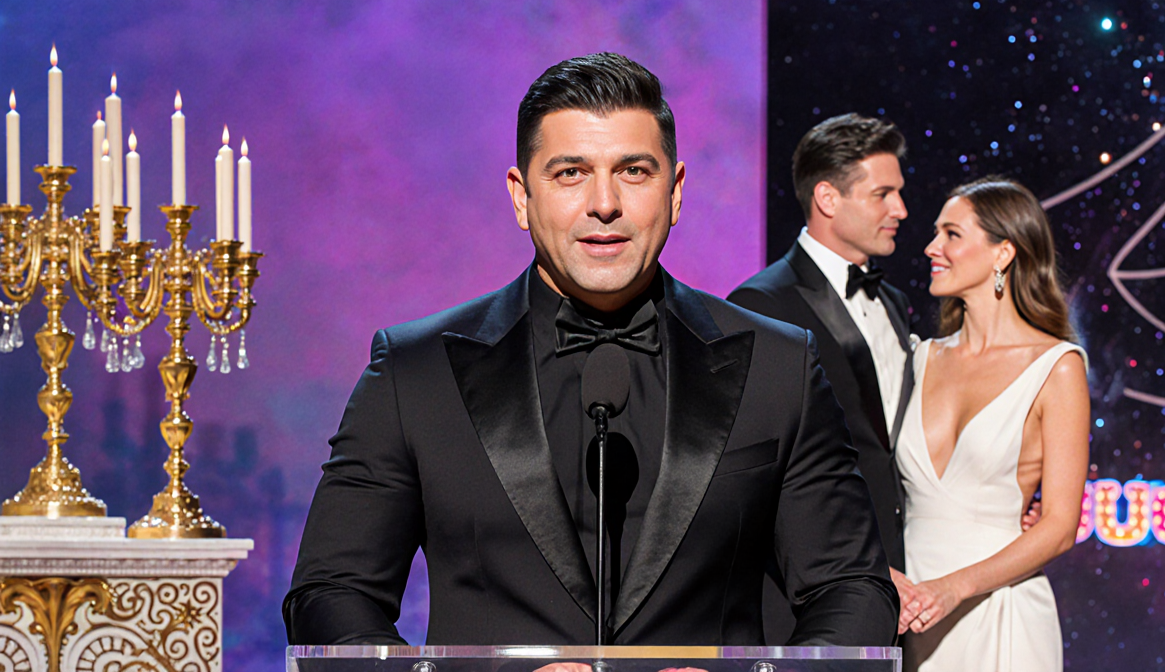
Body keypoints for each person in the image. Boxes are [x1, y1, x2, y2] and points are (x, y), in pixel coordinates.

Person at [283, 53, 899, 647]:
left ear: (676, 190)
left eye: (634, 171)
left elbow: (852, 590)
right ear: (522, 197)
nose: (604, 203)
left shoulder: (778, 365)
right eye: (570, 173)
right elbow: (332, 594)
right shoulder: (415, 371)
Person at [727, 113, 917, 643]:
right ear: (829, 199)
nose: (900, 210)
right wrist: (860, 568)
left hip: (909, 584)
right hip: (816, 599)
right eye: (884, 194)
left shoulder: (896, 305)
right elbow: (753, 474)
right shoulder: (761, 303)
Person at [896, 177, 1089, 671]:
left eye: (951, 234)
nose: (931, 247)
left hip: (1001, 612)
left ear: (1003, 252)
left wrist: (954, 588)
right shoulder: (919, 357)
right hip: (911, 611)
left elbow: (1061, 527)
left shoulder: (1057, 366)